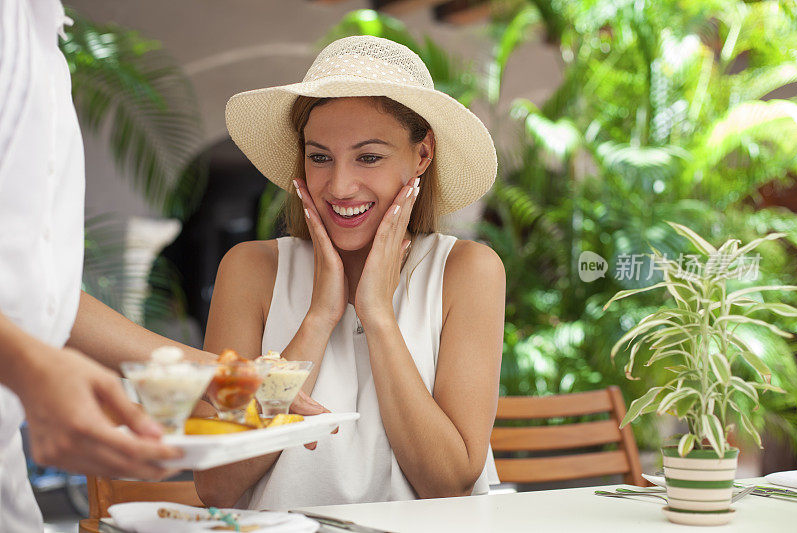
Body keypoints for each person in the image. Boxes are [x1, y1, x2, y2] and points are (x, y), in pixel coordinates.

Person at [0, 2, 333, 531]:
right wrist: (28, 367)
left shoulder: (44, 42)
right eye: (320, 157)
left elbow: (40, 289)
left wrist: (208, 372)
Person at [194, 35, 505, 511]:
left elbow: (449, 484)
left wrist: (378, 313)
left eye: (369, 156)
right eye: (320, 157)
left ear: (422, 155)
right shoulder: (251, 270)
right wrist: (318, 317)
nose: (339, 186)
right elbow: (215, 483)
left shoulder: (466, 271)